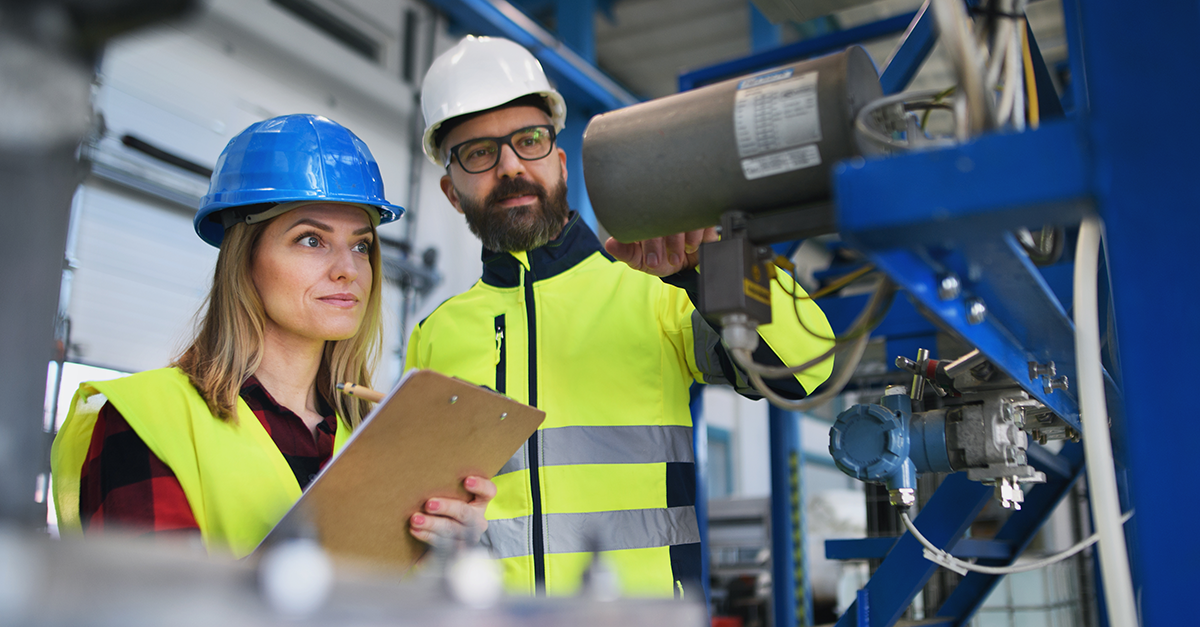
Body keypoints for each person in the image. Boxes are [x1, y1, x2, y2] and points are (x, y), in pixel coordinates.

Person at [406, 36, 836, 597]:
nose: (510, 166)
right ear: (450, 191)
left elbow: (809, 368)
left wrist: (714, 266)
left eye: (529, 140)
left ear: (559, 163)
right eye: (479, 153)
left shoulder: (656, 286)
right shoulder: (434, 337)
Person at [51, 114, 494, 558]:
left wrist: (441, 554)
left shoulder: (376, 439)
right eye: (311, 240)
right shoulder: (145, 419)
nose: (348, 269)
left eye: (360, 245)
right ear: (245, 258)